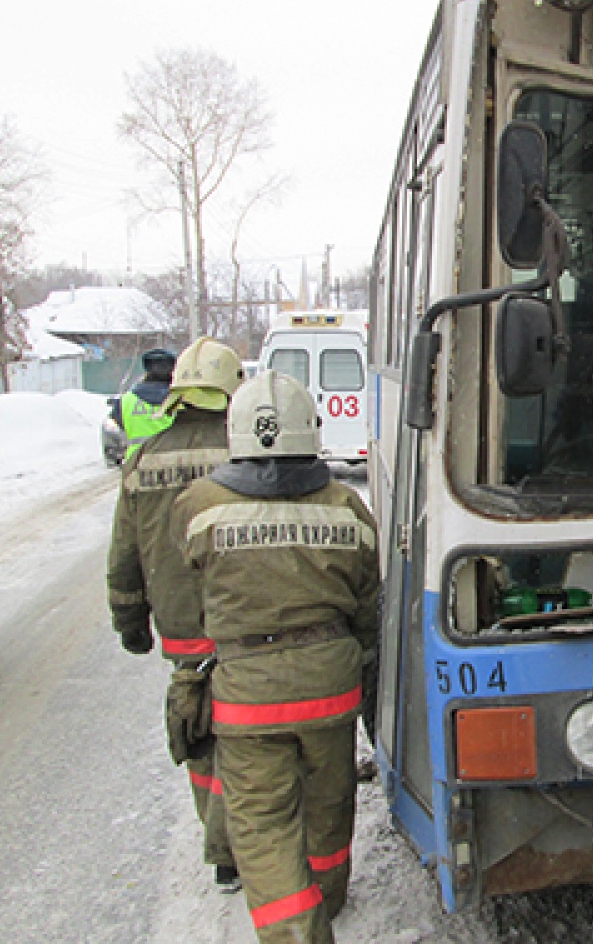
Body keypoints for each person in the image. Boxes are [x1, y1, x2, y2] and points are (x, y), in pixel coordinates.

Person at [172, 371, 379, 944]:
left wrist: (191, 671)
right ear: (311, 432)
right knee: (329, 803)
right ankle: (329, 899)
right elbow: (368, 604)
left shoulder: (199, 506)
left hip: (248, 701)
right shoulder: (346, 506)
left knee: (262, 828)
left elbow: (188, 597)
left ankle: (296, 933)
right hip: (330, 689)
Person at [106, 336, 246, 893]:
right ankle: (259, 840)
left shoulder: (143, 460)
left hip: (185, 629)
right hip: (245, 624)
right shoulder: (243, 454)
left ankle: (223, 856)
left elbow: (124, 556)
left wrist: (131, 623)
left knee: (202, 733)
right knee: (253, 733)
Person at [111, 347, 177, 460]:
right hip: (175, 464)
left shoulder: (127, 400)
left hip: (137, 463)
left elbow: (118, 426)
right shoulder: (183, 398)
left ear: (146, 371)